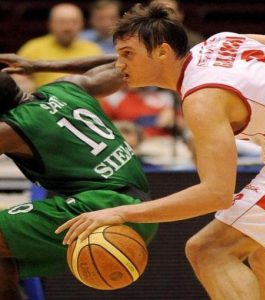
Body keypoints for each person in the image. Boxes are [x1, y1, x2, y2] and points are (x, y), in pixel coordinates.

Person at [3, 7, 265, 299]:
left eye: (127, 54)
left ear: (161, 53)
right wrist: (41, 65)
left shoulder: (202, 98)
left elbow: (216, 194)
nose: (119, 64)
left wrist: (120, 212)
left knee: (209, 250)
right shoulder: (222, 42)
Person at [0, 55, 157, 299]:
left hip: (98, 209)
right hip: (141, 212)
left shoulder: (11, 129)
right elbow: (130, 61)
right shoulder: (68, 87)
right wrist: (40, 65)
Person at [18, 3, 102, 87]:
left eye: (74, 22)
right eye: (62, 22)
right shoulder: (33, 48)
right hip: (44, 98)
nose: (68, 28)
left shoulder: (93, 49)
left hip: (83, 98)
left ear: (82, 24)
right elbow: (19, 79)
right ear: (50, 24)